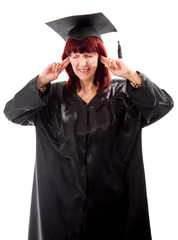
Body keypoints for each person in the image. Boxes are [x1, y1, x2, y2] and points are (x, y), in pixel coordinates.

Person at [4, 13, 174, 240]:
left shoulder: (124, 94)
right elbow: (12, 113)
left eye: (89, 55)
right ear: (67, 59)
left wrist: (130, 75)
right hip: (59, 210)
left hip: (114, 210)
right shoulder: (52, 97)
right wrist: (41, 81)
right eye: (75, 55)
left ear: (101, 57)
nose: (82, 63)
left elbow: (163, 105)